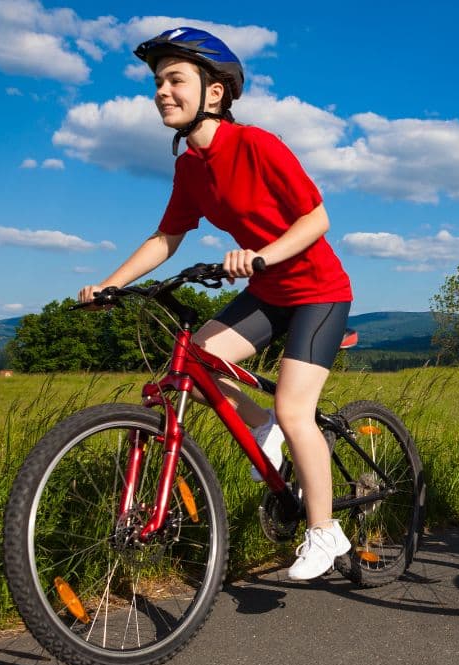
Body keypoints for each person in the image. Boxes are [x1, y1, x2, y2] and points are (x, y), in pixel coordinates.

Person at [78, 27, 353, 581]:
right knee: (196, 359)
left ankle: (324, 531)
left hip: (318, 292)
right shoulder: (190, 168)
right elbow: (166, 238)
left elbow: (317, 219)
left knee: (295, 409)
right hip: (267, 293)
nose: (161, 90)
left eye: (175, 79)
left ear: (215, 92)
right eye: (157, 81)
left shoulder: (257, 145)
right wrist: (108, 285)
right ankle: (262, 431)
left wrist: (261, 256)